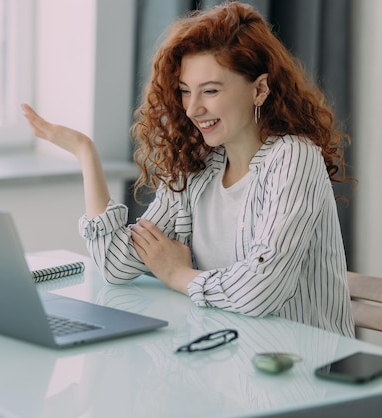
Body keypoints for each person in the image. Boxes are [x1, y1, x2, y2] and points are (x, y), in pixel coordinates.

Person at [21, 1, 355, 337]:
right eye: (184, 92)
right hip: (223, 354)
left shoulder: (293, 158)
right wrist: (85, 153)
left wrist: (177, 274)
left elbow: (261, 289)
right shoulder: (199, 166)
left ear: (260, 89)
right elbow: (116, 263)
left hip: (294, 370)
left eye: (210, 91)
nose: (193, 108)